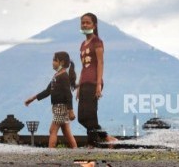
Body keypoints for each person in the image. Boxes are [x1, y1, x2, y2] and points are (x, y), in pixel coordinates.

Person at [77, 13, 117, 147]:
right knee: (81, 117)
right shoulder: (83, 44)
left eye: (87, 23)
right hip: (84, 84)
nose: (84, 25)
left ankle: (92, 143)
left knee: (90, 115)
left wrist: (98, 84)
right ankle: (107, 137)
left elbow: (100, 63)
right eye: (83, 23)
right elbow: (83, 67)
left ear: (94, 25)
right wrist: (78, 87)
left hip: (94, 82)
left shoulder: (97, 42)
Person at [25, 51, 78, 148]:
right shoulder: (56, 76)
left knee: (52, 130)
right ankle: (76, 150)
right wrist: (33, 98)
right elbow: (47, 91)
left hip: (61, 107)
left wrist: (71, 111)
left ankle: (50, 153)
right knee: (66, 132)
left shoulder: (63, 77)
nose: (52, 62)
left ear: (61, 62)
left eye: (54, 60)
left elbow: (68, 94)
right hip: (58, 107)